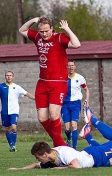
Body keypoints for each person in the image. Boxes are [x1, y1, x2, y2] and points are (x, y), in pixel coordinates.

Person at [19, 16, 81, 147]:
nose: (44, 34)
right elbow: (22, 30)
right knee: (42, 118)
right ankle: (61, 143)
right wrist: (33, 20)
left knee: (54, 115)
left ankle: (60, 146)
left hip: (58, 83)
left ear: (52, 29)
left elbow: (76, 44)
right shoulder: (37, 38)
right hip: (42, 83)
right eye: (41, 31)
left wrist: (67, 29)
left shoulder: (59, 37)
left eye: (47, 31)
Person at [9, 106, 112, 170]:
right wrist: (19, 169)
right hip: (88, 157)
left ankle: (91, 119)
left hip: (95, 155)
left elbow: (77, 167)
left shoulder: (63, 154)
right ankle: (88, 136)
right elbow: (35, 166)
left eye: (38, 158)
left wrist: (60, 168)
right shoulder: (50, 158)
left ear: (45, 154)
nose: (38, 160)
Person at [0, 71, 35, 152]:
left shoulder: (17, 87)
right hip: (4, 111)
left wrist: (36, 98)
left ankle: (13, 145)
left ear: (13, 77)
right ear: (5, 77)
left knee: (14, 127)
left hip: (14, 111)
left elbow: (27, 93)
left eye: (10, 75)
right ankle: (11, 146)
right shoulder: (1, 87)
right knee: (7, 129)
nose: (9, 77)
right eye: (7, 75)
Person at [61, 59, 90, 149]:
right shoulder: (63, 78)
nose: (71, 67)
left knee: (74, 125)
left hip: (76, 104)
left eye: (72, 65)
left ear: (75, 67)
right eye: (69, 65)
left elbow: (86, 89)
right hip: (65, 104)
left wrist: (86, 100)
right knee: (67, 127)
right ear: (66, 67)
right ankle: (68, 138)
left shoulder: (80, 78)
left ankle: (74, 148)